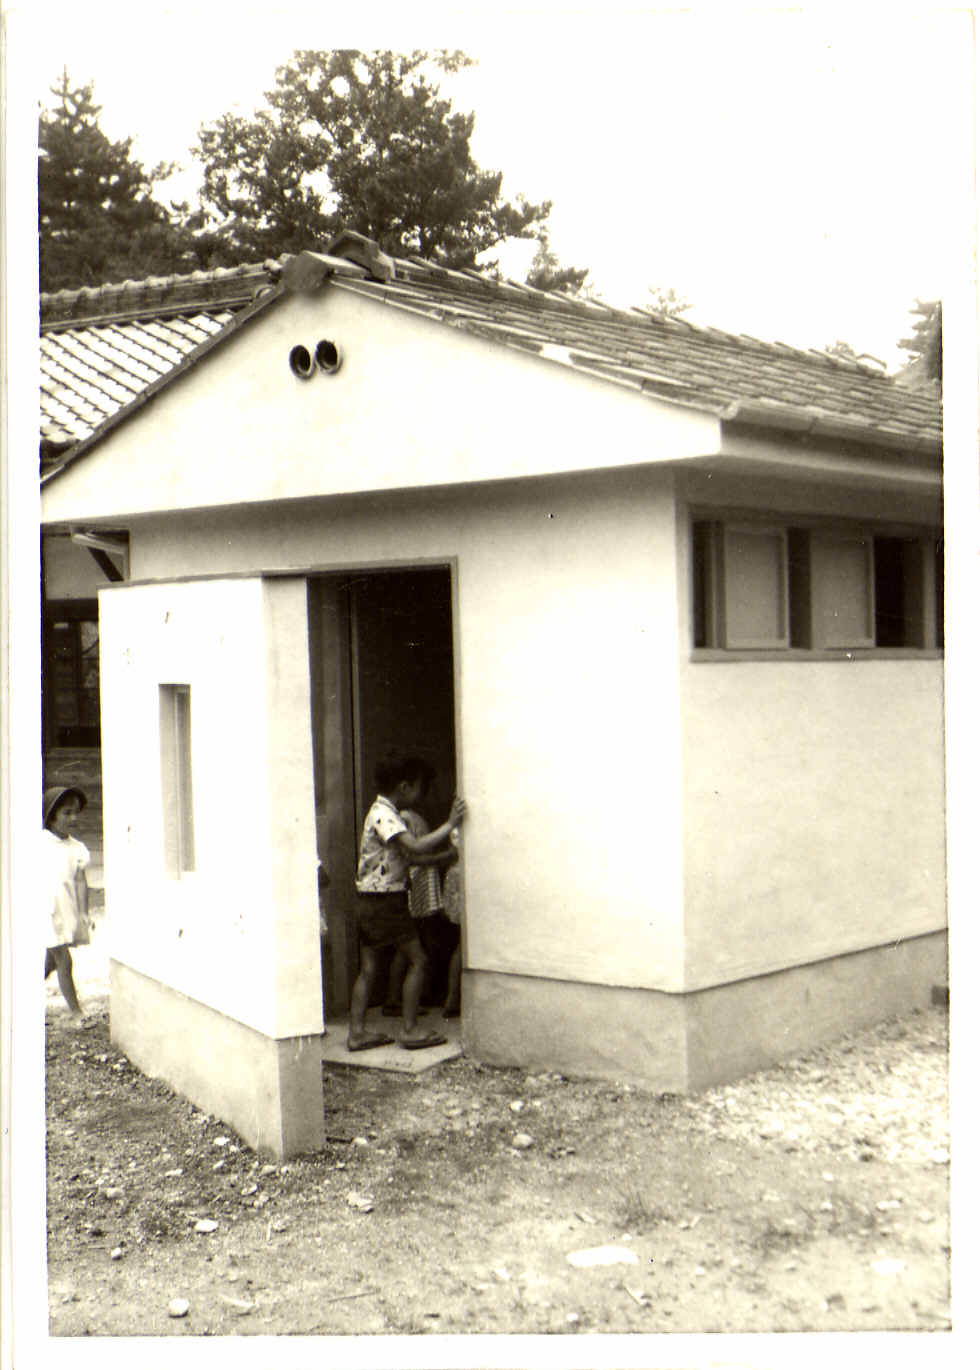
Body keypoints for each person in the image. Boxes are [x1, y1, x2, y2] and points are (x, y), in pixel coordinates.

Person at [348, 755, 465, 1051]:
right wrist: (451, 823)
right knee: (418, 960)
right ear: (404, 786)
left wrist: (445, 857)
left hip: (368, 900)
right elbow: (415, 846)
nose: (421, 796)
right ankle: (410, 1030)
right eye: (419, 788)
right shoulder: (384, 815)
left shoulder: (383, 812)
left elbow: (409, 858)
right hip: (386, 901)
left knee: (369, 968)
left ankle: (357, 1033)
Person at [382, 772, 457, 1017]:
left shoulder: (416, 817)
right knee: (410, 946)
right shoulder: (404, 818)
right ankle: (396, 998)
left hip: (423, 883)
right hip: (415, 885)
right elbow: (410, 857)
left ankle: (415, 994)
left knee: (420, 942)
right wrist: (443, 858)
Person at [42, 786, 92, 1027]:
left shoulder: (77, 848)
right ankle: (76, 1012)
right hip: (44, 910)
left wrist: (83, 912)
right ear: (51, 816)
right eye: (67, 813)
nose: (73, 818)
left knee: (51, 960)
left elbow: (81, 882)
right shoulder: (37, 843)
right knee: (63, 959)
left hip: (65, 909)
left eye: (76, 812)